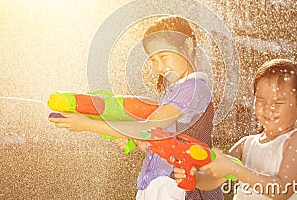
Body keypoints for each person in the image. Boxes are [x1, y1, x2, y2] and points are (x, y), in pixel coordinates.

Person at [49, 15, 223, 200]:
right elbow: (164, 143)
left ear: (187, 46)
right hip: (158, 184)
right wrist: (140, 142)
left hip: (183, 188)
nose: (159, 67)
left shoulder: (195, 88)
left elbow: (146, 128)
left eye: (164, 56)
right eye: (153, 60)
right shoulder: (174, 91)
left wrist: (87, 125)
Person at [174, 59, 297, 199]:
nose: (268, 108)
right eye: (260, 100)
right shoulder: (245, 144)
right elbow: (214, 180)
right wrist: (195, 177)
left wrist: (234, 168)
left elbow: (282, 190)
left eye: (278, 102)